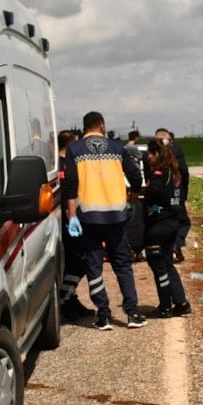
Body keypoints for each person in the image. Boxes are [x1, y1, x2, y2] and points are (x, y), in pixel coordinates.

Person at [62, 112, 147, 330]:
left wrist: (72, 215)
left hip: (89, 216)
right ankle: (132, 313)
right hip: (116, 216)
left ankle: (104, 315)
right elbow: (135, 175)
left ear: (84, 128)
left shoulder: (75, 150)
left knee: (94, 265)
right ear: (102, 126)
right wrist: (133, 197)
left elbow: (70, 184)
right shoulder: (116, 148)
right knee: (122, 265)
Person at [143, 141, 192, 318]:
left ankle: (165, 306)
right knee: (167, 264)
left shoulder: (158, 173)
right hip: (172, 223)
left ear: (156, 154)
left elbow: (154, 193)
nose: (147, 157)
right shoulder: (173, 171)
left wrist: (148, 201)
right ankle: (181, 302)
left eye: (149, 153)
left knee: (158, 266)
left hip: (158, 226)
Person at [55, 130, 94, 321]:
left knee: (72, 262)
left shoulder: (54, 165)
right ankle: (63, 299)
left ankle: (70, 299)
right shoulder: (70, 166)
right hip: (71, 220)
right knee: (79, 262)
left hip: (60, 221)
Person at [153, 128, 191, 262]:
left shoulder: (152, 151)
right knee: (183, 221)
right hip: (175, 190)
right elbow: (184, 172)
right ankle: (176, 243)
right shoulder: (176, 150)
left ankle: (163, 248)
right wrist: (184, 191)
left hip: (157, 192)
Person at [123, 130, 146, 262]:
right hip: (136, 177)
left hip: (126, 180)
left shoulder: (124, 147)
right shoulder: (134, 148)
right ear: (135, 138)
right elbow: (140, 158)